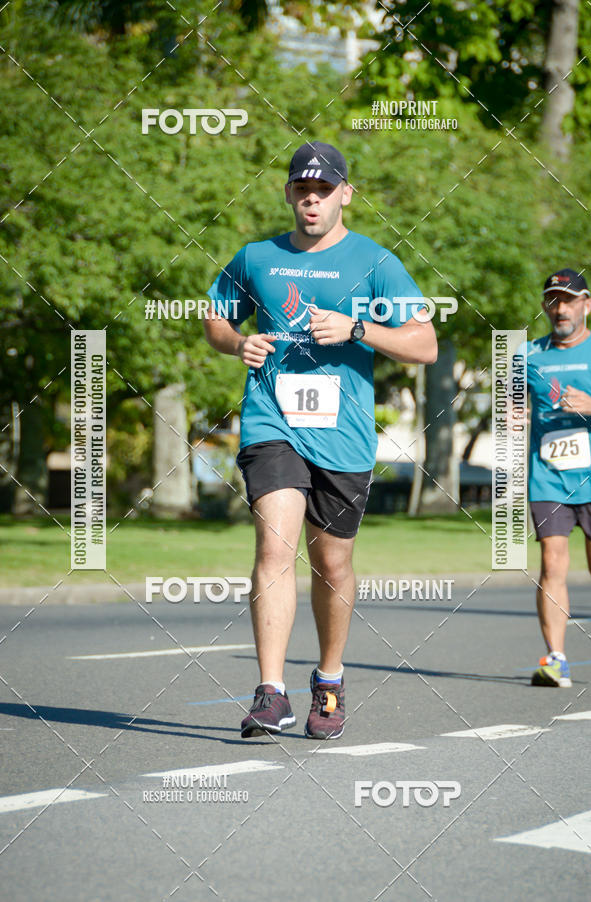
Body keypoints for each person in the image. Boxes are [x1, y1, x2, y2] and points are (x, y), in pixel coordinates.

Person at [204, 141, 437, 738]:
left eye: (324, 190)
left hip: (344, 434)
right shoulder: (257, 257)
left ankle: (329, 679)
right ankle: (271, 690)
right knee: (274, 547)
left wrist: (358, 328)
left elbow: (424, 345)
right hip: (271, 422)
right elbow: (216, 316)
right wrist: (238, 343)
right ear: (288, 194)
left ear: (345, 194)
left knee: (331, 562)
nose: (312, 200)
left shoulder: (376, 263)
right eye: (302, 190)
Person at [526, 269, 591, 687]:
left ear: (587, 304)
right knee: (552, 561)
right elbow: (511, 405)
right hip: (549, 477)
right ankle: (556, 658)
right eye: (553, 300)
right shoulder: (529, 355)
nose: (561, 308)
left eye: (569, 300)